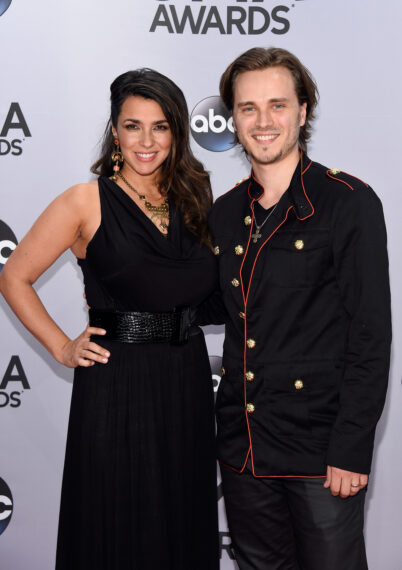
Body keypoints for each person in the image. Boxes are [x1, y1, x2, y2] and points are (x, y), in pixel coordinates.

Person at [0, 69, 219, 569]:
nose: (146, 141)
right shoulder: (85, 201)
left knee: (179, 519)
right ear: (115, 131)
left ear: (177, 132)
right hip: (117, 384)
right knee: (116, 524)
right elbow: (14, 276)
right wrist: (60, 346)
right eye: (132, 125)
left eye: (160, 126)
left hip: (185, 380)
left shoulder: (194, 198)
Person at [208, 47, 392, 569]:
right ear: (233, 118)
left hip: (320, 455)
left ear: (303, 111)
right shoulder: (224, 213)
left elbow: (370, 335)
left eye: (277, 105)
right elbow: (205, 301)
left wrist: (351, 449)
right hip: (244, 451)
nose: (263, 122)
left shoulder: (349, 202)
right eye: (248, 108)